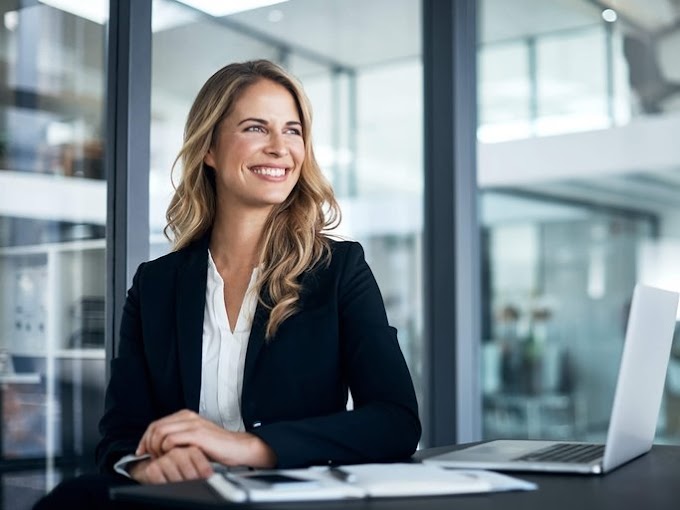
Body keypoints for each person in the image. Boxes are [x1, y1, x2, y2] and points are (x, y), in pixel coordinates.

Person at [34, 59, 420, 507]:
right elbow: (120, 434)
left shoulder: (339, 269)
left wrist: (250, 447)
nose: (280, 147)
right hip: (185, 498)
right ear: (210, 149)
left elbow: (395, 421)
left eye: (293, 131)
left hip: (287, 497)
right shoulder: (155, 285)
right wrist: (144, 464)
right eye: (257, 128)